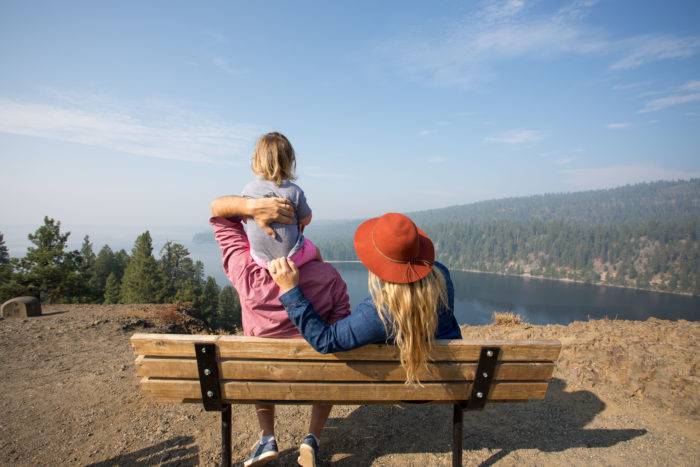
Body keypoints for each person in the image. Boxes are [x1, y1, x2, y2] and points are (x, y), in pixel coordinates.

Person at [209, 195, 349, 467]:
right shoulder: (329, 277)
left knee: (258, 361)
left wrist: (251, 209)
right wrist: (315, 257)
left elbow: (220, 215)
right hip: (316, 377)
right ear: (300, 232)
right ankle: (311, 439)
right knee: (332, 357)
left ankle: (267, 438)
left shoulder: (245, 273)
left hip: (263, 377)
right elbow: (340, 333)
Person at [269, 212, 462, 387]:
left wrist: (290, 289)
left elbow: (324, 340)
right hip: (442, 382)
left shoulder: (380, 312)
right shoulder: (441, 276)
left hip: (401, 386)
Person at [241, 132, 319, 269]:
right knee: (315, 251)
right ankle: (322, 275)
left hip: (260, 259)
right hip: (291, 259)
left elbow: (244, 218)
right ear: (289, 161)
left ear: (257, 160)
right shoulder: (294, 191)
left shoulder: (248, 189)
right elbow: (307, 219)